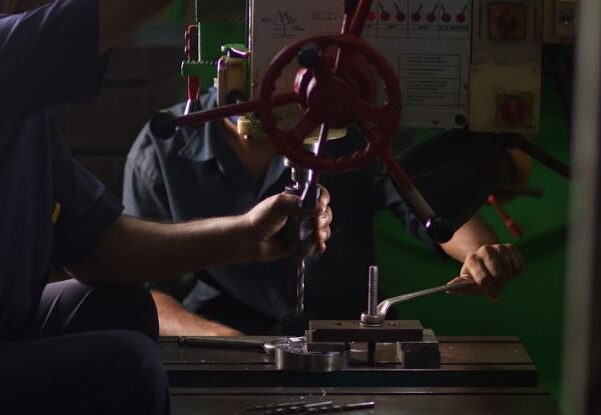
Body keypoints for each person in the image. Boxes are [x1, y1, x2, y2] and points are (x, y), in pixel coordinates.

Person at [0, 0, 331, 415]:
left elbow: (100, 248)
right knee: (125, 369)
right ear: (20, 12)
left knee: (120, 308)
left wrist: (247, 235)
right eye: (83, 0)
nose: (104, 28)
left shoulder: (31, 115)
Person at [124, 88, 525, 338]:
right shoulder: (162, 150)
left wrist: (479, 252)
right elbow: (143, 293)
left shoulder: (353, 132)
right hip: (225, 330)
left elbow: (428, 205)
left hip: (348, 334)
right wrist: (224, 341)